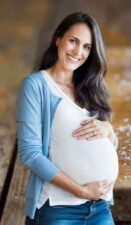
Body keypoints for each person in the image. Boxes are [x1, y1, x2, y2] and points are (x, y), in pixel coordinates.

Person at [16, 12, 119, 225]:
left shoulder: (90, 89)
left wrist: (109, 131)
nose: (78, 51)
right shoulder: (36, 86)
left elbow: (106, 145)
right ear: (58, 39)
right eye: (73, 41)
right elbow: (30, 154)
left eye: (86, 47)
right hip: (57, 209)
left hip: (99, 206)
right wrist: (81, 191)